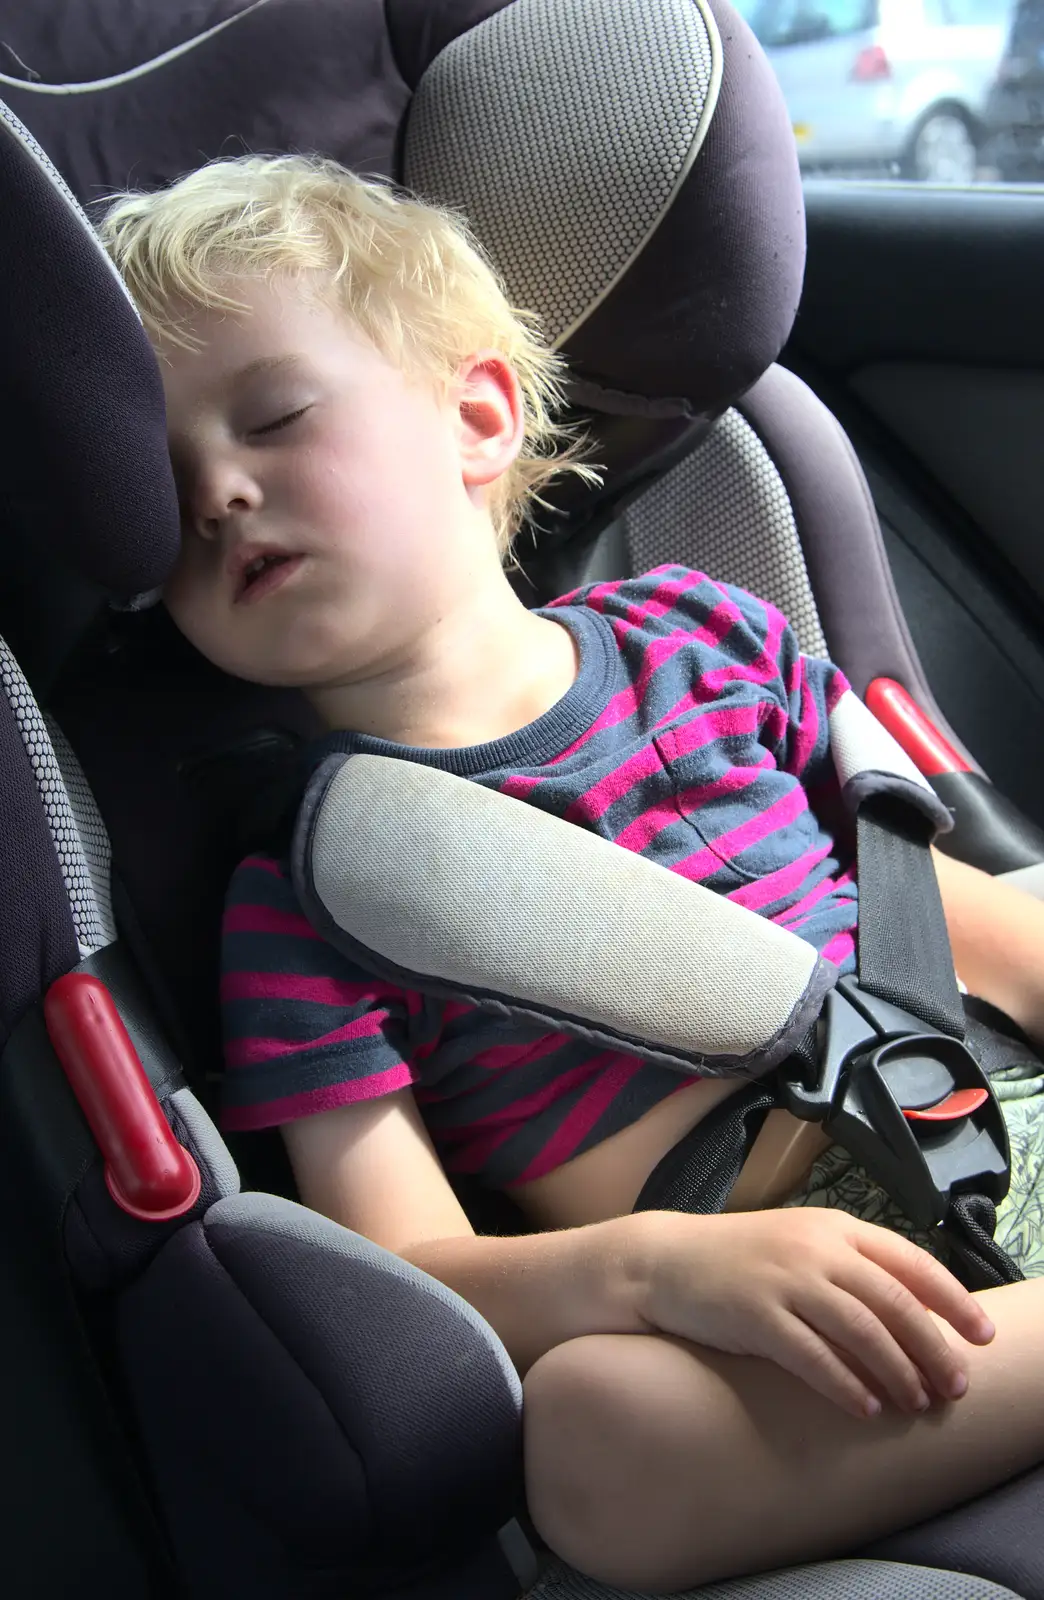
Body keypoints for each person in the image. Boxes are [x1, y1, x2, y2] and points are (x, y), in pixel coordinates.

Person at [99, 153, 1044, 1593]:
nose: (219, 493)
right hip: (777, 1290)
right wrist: (658, 1270)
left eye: (274, 418)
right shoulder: (298, 901)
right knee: (597, 1445)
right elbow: (405, 1264)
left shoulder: (704, 633)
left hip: (990, 1100)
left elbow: (942, 909)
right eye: (166, 495)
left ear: (475, 417)